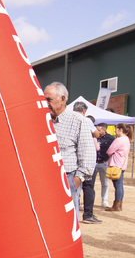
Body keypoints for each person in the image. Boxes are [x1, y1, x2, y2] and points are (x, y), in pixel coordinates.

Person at [43, 83, 96, 223]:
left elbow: (88, 154)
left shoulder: (78, 121)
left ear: (62, 99)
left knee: (67, 221)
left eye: (49, 99)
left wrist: (76, 181)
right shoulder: (42, 120)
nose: (45, 103)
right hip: (45, 179)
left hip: (68, 178)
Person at [73, 101, 100, 224]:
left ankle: (74, 214)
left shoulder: (68, 117)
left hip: (72, 159)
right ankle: (88, 214)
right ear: (84, 111)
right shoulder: (85, 120)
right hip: (85, 157)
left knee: (74, 189)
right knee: (88, 187)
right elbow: (96, 134)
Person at [104, 123, 133, 211]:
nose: (115, 131)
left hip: (116, 164)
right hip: (122, 164)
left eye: (116, 129)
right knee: (119, 185)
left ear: (120, 130)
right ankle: (119, 203)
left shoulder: (119, 140)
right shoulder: (127, 139)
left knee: (118, 185)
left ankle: (116, 204)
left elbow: (109, 151)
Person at [91, 117, 115, 208]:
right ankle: (90, 200)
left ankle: (104, 200)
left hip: (104, 163)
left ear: (104, 130)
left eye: (99, 130)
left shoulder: (110, 138)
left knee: (105, 183)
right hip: (94, 162)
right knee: (90, 183)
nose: (97, 131)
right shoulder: (93, 137)